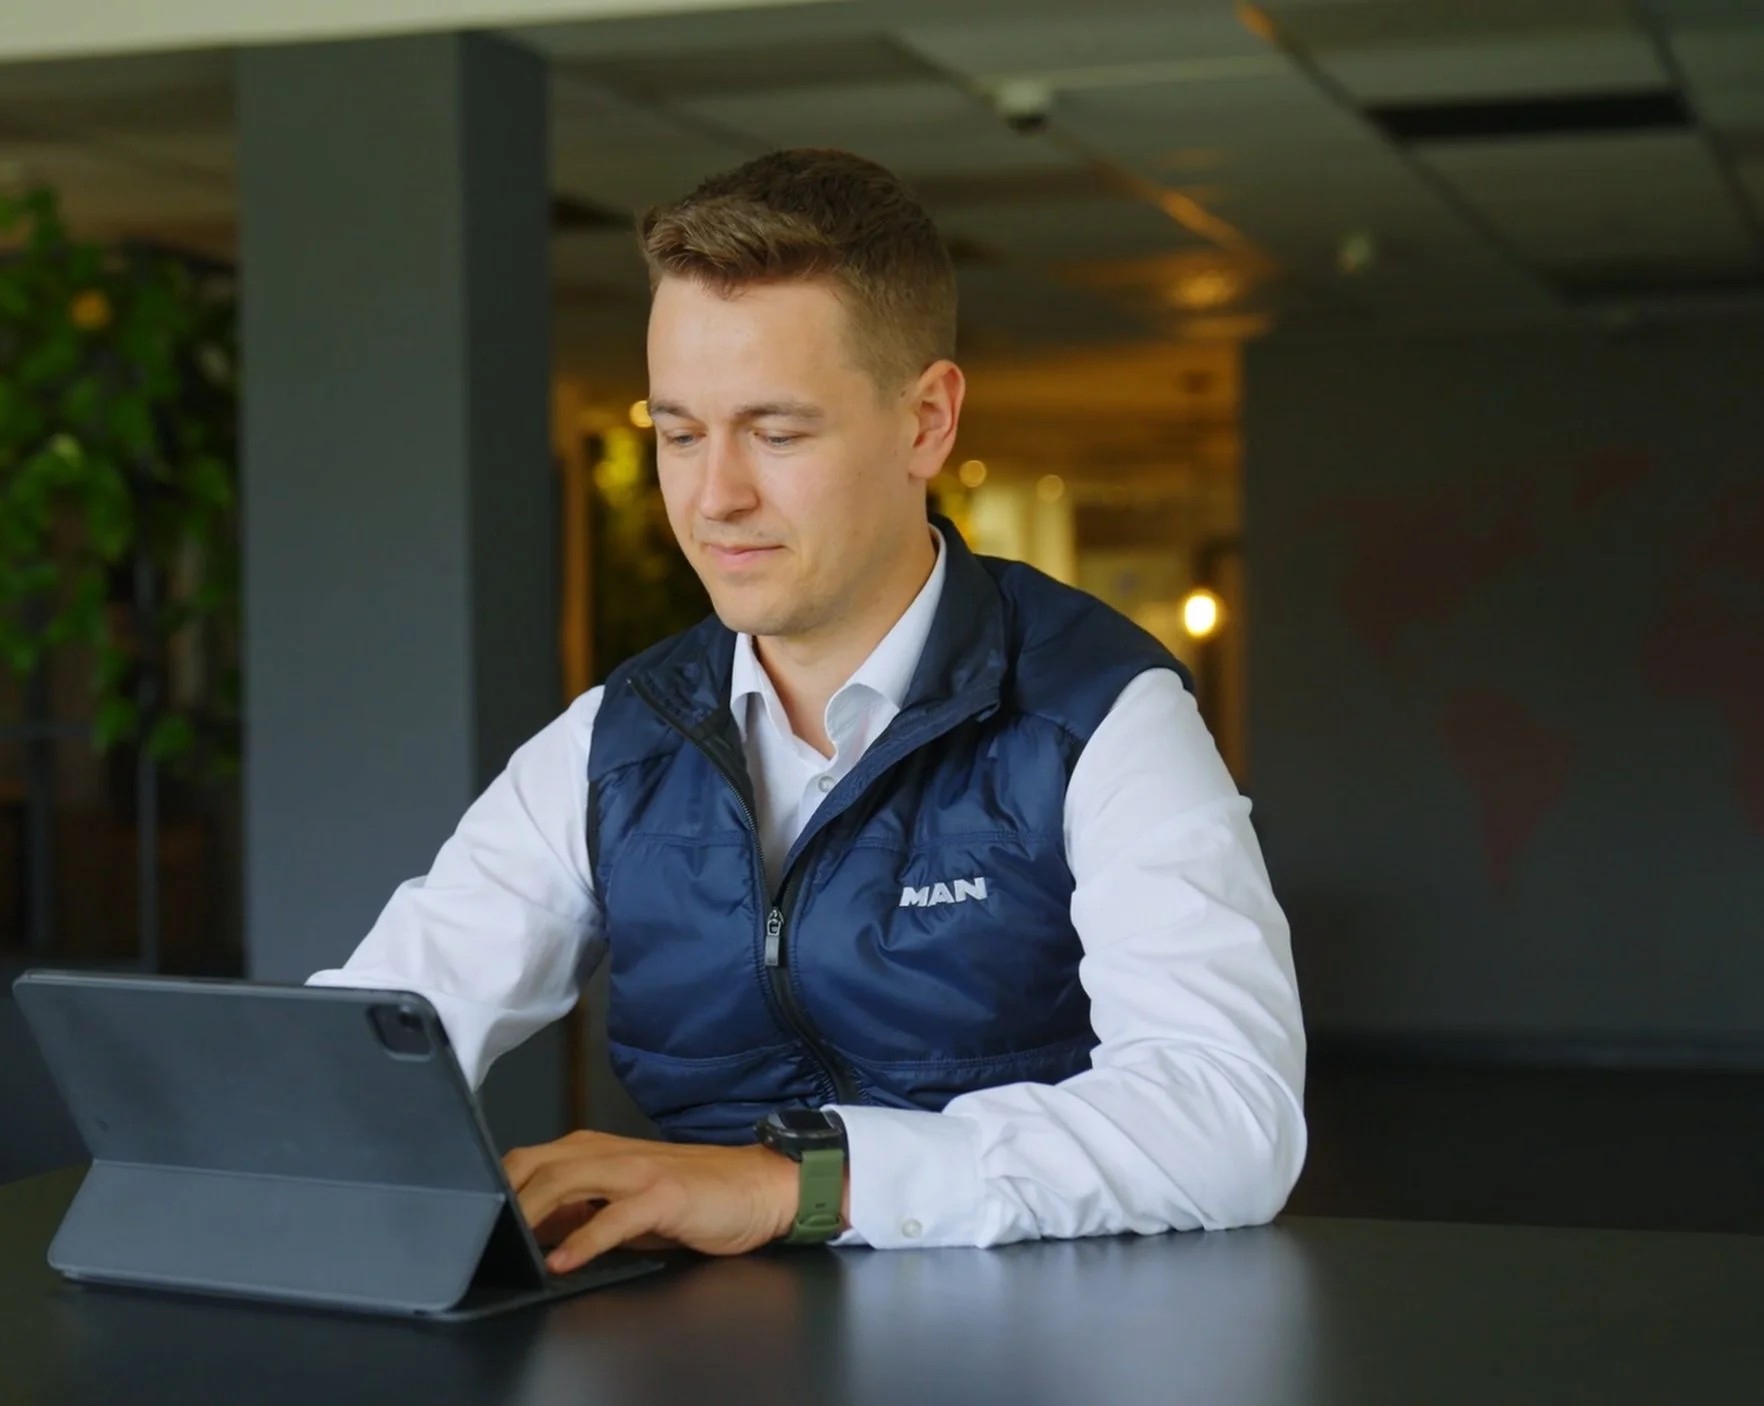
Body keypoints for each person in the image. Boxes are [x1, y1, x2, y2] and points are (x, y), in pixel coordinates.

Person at [310, 148, 1305, 1271]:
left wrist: (799, 1183)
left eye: (776, 433)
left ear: (926, 419)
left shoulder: (1100, 713)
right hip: (706, 1351)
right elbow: (377, 1029)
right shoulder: (616, 739)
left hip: (1023, 1342)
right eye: (679, 433)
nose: (713, 494)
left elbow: (1229, 1117)